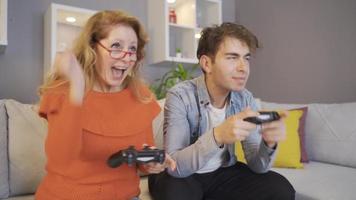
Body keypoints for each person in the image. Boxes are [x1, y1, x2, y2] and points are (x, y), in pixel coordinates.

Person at [35, 10, 175, 200]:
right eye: (116, 46)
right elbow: (62, 159)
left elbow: (142, 155)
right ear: (92, 48)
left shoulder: (141, 96)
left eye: (133, 49)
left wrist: (151, 162)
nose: (127, 57)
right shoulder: (63, 91)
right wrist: (77, 87)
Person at [148, 22, 295, 200]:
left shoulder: (245, 99)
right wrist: (217, 136)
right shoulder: (180, 96)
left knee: (281, 189)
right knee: (175, 193)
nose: (243, 68)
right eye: (232, 57)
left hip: (222, 172)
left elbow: (258, 166)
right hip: (183, 174)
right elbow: (175, 166)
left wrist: (269, 144)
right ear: (207, 63)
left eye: (246, 58)